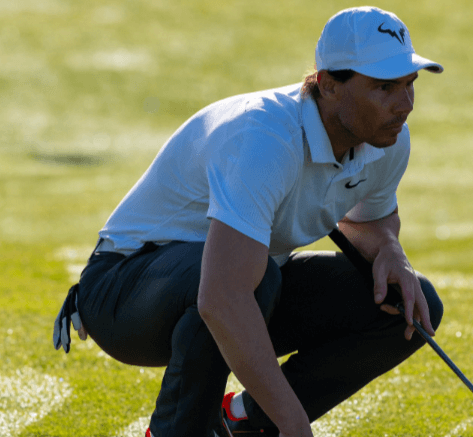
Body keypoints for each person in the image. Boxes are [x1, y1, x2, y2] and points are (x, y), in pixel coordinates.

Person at [53, 6, 445, 437]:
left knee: (408, 303)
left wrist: (389, 249)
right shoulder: (265, 137)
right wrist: (294, 425)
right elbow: (222, 297)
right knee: (253, 281)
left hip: (242, 288)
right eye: (385, 87)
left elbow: (370, 220)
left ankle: (242, 420)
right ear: (329, 84)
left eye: (410, 84)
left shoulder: (386, 138)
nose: (405, 104)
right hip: (123, 295)